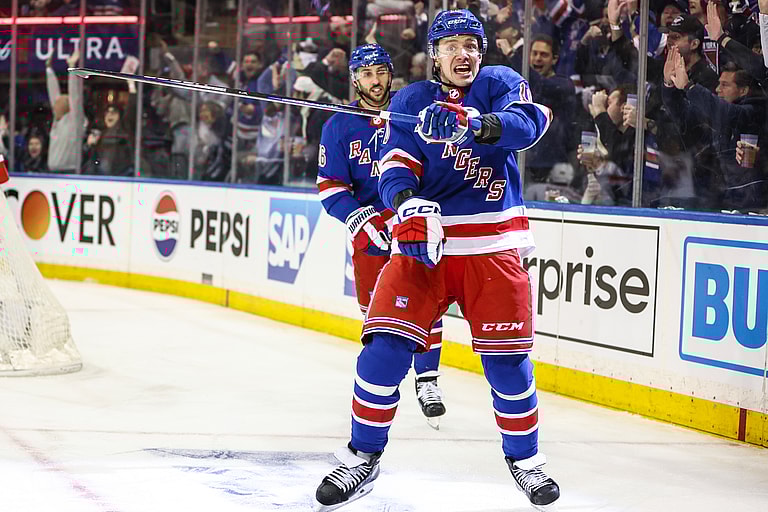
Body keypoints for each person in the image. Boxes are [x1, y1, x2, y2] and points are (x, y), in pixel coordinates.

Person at [314, 10, 559, 512]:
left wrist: (474, 122)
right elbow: (395, 165)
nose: (462, 53)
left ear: (482, 50)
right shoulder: (411, 101)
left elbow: (529, 123)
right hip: (423, 245)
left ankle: (526, 462)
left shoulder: (498, 82)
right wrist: (406, 202)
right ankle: (362, 455)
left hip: (491, 247)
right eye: (451, 45)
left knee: (508, 363)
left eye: (471, 43)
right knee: (381, 352)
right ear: (434, 54)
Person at [316, 43, 448, 431]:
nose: (375, 81)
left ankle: (427, 380)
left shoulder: (411, 113)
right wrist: (358, 215)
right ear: (355, 78)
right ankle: (382, 385)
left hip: (411, 217)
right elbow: (330, 186)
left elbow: (437, 166)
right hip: (370, 230)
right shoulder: (338, 125)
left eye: (381, 72)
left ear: (391, 74)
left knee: (427, 301)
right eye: (367, 74)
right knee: (377, 314)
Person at [46, 50, 84, 173]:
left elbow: (74, 96)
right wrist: (48, 69)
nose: (54, 104)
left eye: (58, 102)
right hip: (52, 174)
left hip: (69, 173)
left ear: (67, 107)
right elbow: (53, 91)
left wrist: (72, 67)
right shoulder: (57, 120)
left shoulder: (74, 121)